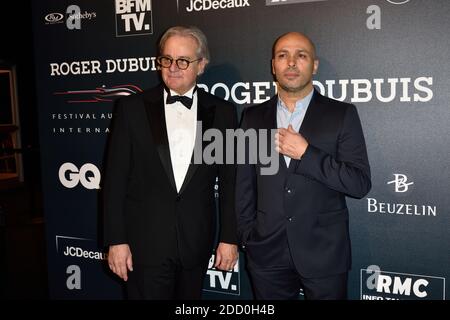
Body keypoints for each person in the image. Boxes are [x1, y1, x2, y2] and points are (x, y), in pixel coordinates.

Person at [103, 26, 238, 299]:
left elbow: (230, 182)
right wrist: (116, 240)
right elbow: (114, 180)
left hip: (196, 243)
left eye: (183, 61)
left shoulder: (222, 112)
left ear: (201, 66)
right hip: (144, 246)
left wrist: (229, 237)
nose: (173, 67)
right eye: (167, 59)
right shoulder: (131, 109)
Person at [236, 32, 371, 300]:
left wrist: (307, 154)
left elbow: (359, 182)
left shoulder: (342, 114)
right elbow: (243, 184)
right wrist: (247, 238)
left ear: (314, 65)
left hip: (324, 253)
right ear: (273, 65)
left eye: (301, 55)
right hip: (266, 253)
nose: (291, 63)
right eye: (283, 55)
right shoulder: (252, 117)